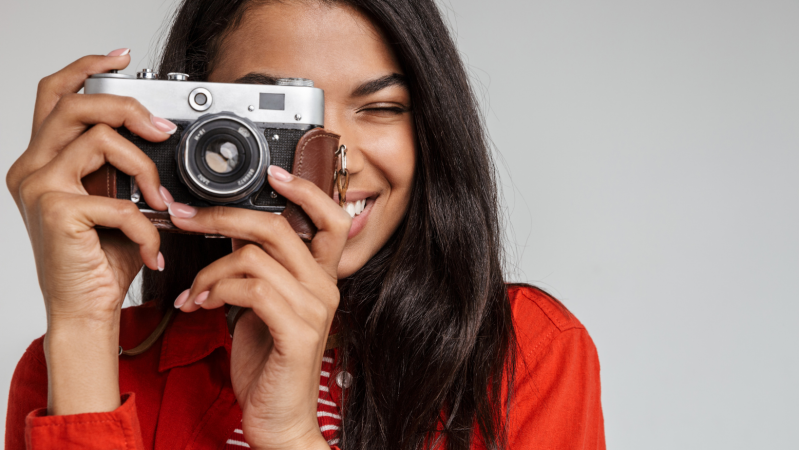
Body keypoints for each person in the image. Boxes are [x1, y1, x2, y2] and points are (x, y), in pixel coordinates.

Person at [4, 0, 605, 449]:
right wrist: (82, 323)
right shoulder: (78, 361)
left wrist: (291, 434)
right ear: (180, 123)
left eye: (381, 108)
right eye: (276, 115)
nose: (332, 159)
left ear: (430, 132)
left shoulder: (526, 352)